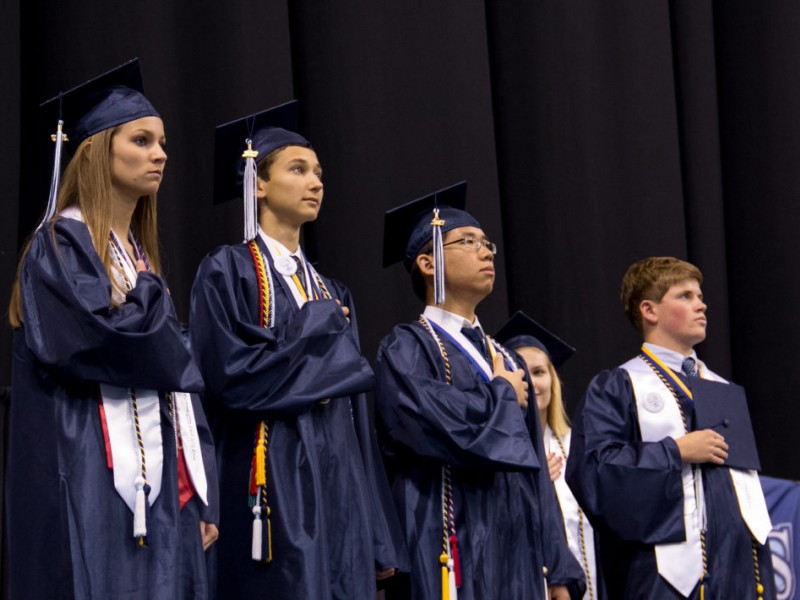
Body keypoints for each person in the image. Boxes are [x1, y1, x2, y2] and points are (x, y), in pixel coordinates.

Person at [6, 58, 219, 599]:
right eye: (142, 140)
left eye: (163, 142)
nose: (161, 154)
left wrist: (194, 486)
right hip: (87, 471)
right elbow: (116, 345)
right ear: (99, 150)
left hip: (162, 486)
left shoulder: (139, 260)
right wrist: (149, 301)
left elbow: (175, 380)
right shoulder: (61, 244)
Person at [188, 100, 406, 599]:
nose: (316, 182)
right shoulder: (228, 270)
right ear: (258, 183)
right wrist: (316, 327)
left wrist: (376, 531)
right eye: (298, 169)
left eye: (319, 173)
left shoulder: (334, 290)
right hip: (271, 478)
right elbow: (233, 381)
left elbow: (357, 421)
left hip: (340, 485)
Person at [374, 182, 586, 600]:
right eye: (468, 242)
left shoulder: (507, 356)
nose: (487, 251)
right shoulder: (407, 347)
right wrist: (503, 395)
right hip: (445, 538)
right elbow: (442, 430)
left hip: (515, 548)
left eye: (487, 243)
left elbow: (534, 471)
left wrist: (558, 567)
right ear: (427, 262)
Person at [565, 256, 775, 599]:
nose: (701, 304)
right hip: (666, 578)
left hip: (740, 573)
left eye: (700, 296)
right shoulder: (618, 386)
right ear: (649, 310)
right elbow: (593, 471)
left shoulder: (722, 390)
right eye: (686, 296)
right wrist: (675, 451)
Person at [495, 311, 602, 600]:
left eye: (540, 372)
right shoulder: (499, 456)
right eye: (522, 372)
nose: (532, 382)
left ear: (553, 380)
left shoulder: (577, 447)